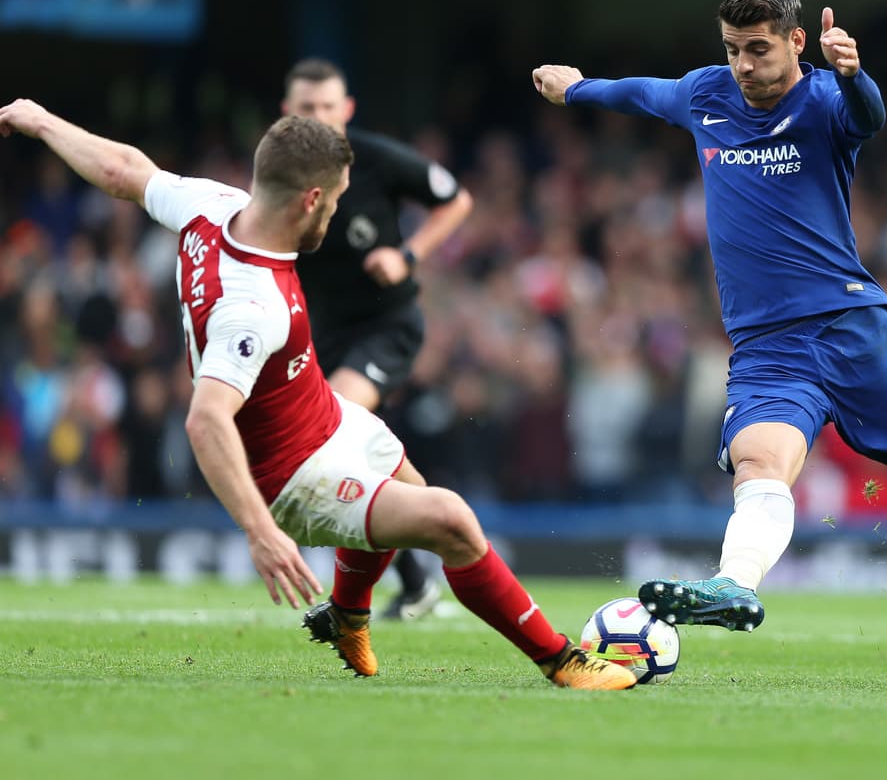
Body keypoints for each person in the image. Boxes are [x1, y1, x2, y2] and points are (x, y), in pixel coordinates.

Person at [532, 0, 887, 686]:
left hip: (852, 328)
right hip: (768, 347)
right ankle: (735, 585)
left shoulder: (826, 98)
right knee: (761, 467)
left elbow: (871, 117)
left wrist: (853, 74)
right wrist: (578, 87)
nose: (743, 65)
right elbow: (643, 93)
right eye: (733, 48)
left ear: (798, 42)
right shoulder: (708, 94)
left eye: (758, 49)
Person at [0, 98, 635, 691]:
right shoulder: (252, 308)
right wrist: (259, 530)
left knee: (402, 490)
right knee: (450, 521)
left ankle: (346, 616)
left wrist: (41, 122)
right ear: (309, 199)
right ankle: (562, 661)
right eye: (333, 203)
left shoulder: (212, 205)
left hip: (326, 417)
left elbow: (124, 169)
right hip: (293, 475)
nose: (335, 215)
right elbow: (205, 419)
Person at [282, 57, 472, 622]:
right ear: (287, 113)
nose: (316, 117)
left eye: (325, 107)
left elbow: (456, 199)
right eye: (305, 108)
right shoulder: (278, 173)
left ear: (346, 111)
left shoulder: (378, 159)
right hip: (320, 340)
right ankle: (418, 577)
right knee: (358, 447)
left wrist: (407, 255)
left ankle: (356, 599)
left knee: (337, 426)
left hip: (386, 328)